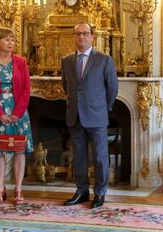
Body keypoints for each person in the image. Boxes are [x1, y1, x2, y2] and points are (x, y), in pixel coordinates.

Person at [61, 21, 118, 209]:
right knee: (79, 157)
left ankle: (100, 193)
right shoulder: (66, 60)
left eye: (85, 33)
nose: (81, 37)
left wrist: (103, 108)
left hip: (97, 116)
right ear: (74, 37)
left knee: (100, 157)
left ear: (92, 36)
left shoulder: (104, 60)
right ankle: (81, 191)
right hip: (75, 116)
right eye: (78, 34)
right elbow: (66, 87)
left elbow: (112, 89)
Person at [0, 28, 34, 205]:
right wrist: (0, 113)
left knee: (19, 149)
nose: (11, 42)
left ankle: (18, 190)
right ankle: (0, 189)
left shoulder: (21, 62)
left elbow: (27, 89)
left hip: (18, 112)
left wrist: (16, 113)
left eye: (12, 39)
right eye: (7, 40)